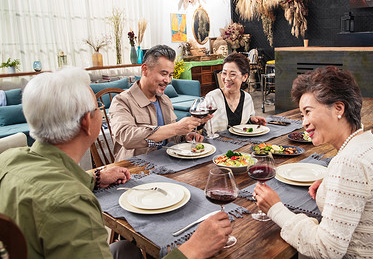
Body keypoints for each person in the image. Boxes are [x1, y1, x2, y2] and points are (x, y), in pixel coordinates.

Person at [0, 68, 232, 259]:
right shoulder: (71, 203)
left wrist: (94, 178)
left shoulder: (8, 159)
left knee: (124, 249)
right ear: (86, 123)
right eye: (98, 109)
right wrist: (191, 250)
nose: (102, 113)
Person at [254, 66, 373, 258]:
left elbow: (326, 249)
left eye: (308, 112)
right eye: (302, 115)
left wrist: (275, 209)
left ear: (338, 108)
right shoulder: (372, 145)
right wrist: (330, 187)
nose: (304, 122)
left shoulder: (349, 163)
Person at [109, 45, 210, 161]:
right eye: (163, 74)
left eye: (170, 75)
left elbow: (170, 137)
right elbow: (126, 137)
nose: (168, 80)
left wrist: (185, 137)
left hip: (167, 163)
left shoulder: (165, 100)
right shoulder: (122, 101)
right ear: (145, 69)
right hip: (135, 168)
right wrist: (176, 128)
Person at [205, 53, 266, 134]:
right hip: (216, 144)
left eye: (233, 74)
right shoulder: (212, 97)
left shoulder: (247, 98)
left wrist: (251, 120)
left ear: (244, 77)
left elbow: (243, 124)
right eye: (224, 73)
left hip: (241, 143)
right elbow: (200, 126)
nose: (227, 78)